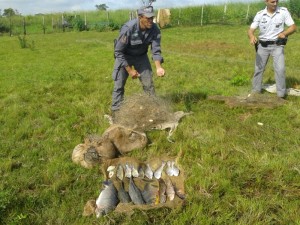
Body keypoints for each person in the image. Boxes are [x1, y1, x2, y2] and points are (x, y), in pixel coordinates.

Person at [111, 5, 165, 113]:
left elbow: (156, 49)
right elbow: (118, 51)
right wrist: (130, 70)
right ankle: (116, 112)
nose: (151, 20)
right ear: (140, 17)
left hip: (141, 56)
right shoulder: (128, 28)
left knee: (148, 83)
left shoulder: (155, 29)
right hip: (124, 56)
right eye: (148, 18)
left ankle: (152, 109)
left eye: (152, 18)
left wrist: (158, 67)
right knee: (119, 85)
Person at [247, 0, 297, 98]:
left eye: (276, 1)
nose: (275, 4)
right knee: (258, 69)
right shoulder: (260, 14)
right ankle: (255, 91)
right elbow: (250, 30)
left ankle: (281, 95)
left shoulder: (283, 12)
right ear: (266, 2)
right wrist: (252, 36)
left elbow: (293, 27)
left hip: (277, 45)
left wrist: (284, 33)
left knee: (280, 69)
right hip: (262, 46)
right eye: (272, 2)